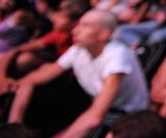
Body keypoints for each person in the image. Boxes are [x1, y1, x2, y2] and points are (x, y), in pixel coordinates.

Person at [8, 10, 149, 138]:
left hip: (125, 115)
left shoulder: (117, 58)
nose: (75, 30)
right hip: (96, 104)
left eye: (85, 26)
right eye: (78, 25)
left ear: (104, 34)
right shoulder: (78, 49)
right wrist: (14, 124)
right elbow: (36, 78)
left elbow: (95, 116)